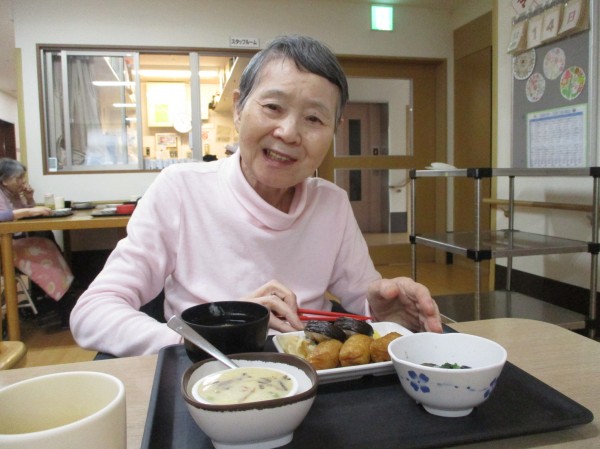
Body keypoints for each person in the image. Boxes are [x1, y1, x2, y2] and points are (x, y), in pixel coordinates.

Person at [71, 35, 442, 357]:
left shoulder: (331, 203)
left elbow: (362, 299)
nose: (289, 133)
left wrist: (380, 312)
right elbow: (94, 311)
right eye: (273, 107)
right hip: (202, 376)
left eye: (314, 119)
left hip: (308, 372)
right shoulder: (181, 189)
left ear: (334, 131)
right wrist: (206, 338)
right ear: (238, 109)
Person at [0, 158, 76, 327]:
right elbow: (6, 216)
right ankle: (61, 303)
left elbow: (24, 215)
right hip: (4, 246)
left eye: (22, 177)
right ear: (4, 181)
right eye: (18, 178)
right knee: (45, 248)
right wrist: (28, 210)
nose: (22, 181)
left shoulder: (12, 194)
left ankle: (54, 298)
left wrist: (29, 199)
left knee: (46, 238)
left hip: (12, 241)